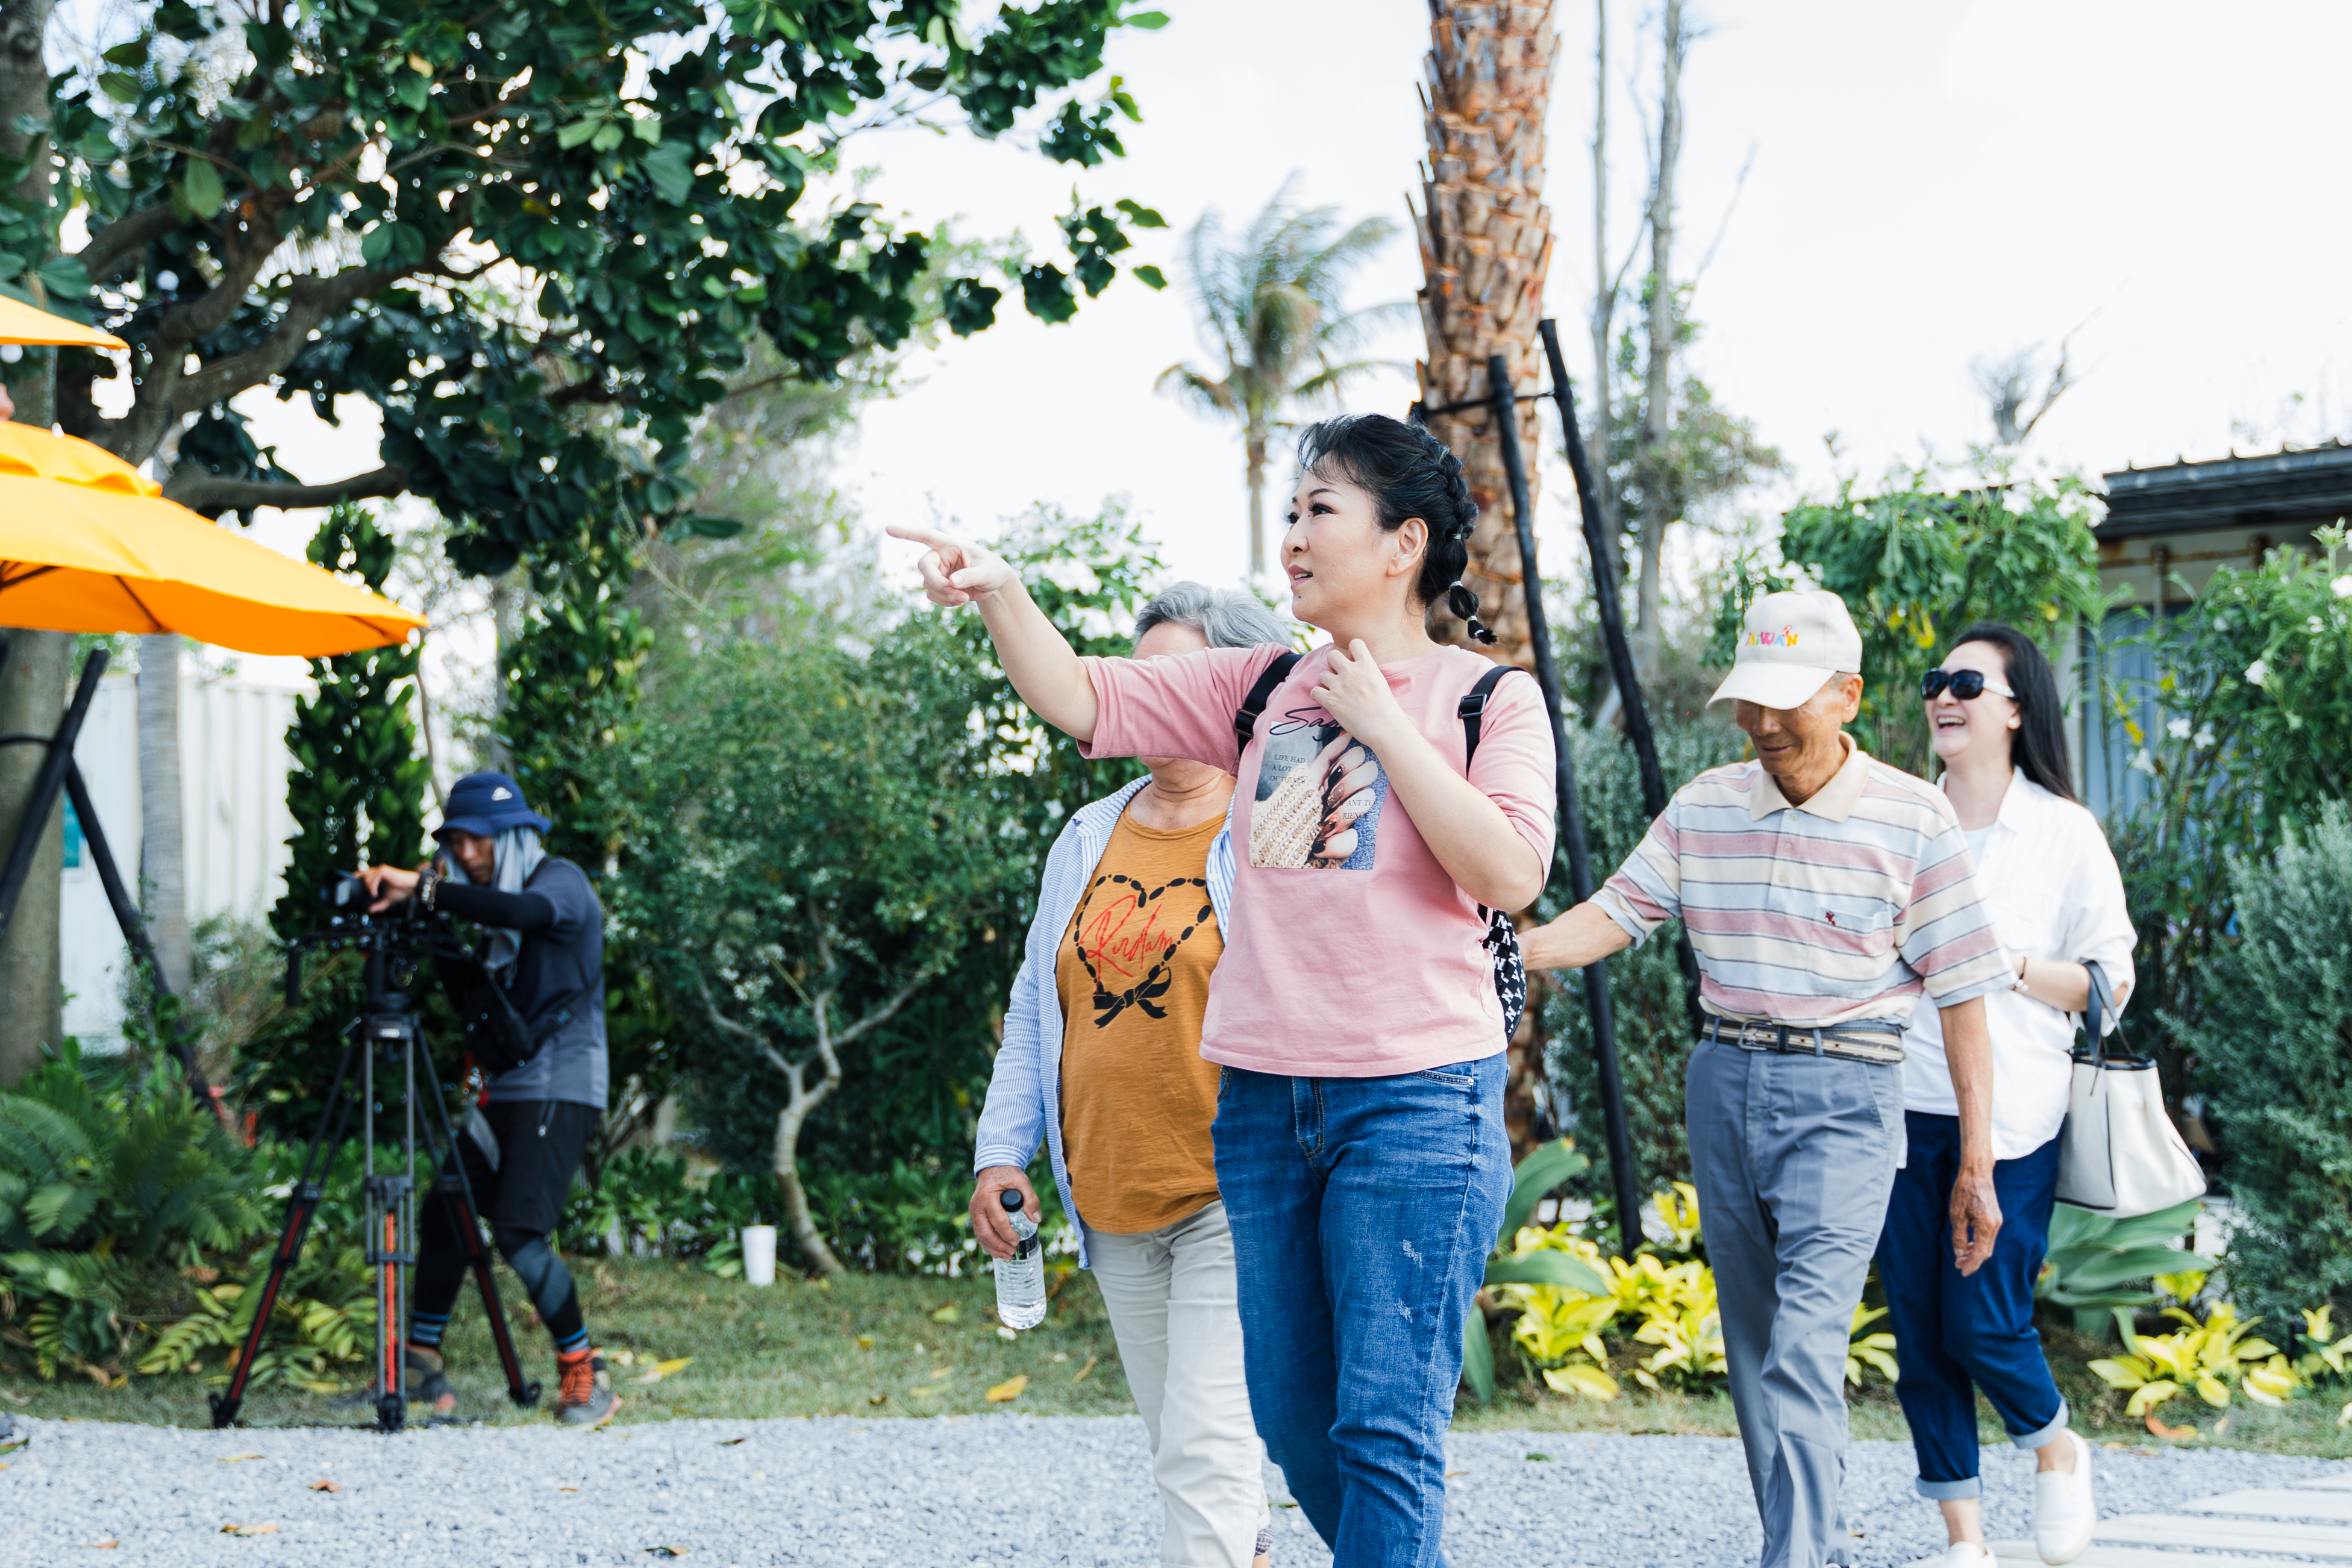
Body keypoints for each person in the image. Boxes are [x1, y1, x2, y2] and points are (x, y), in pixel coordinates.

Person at [895, 413, 1556, 1568]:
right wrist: (1001, 590)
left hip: (1414, 1102)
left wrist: (1384, 727)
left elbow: (1505, 871)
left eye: (1318, 511)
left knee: (1384, 1429)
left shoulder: (1484, 701)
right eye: (1291, 510)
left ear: (1402, 543)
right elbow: (1081, 696)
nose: (1291, 534)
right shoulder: (1258, 687)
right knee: (1299, 1425)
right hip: (1259, 1103)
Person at [1522, 589, 2015, 1568]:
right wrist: (1500, 949)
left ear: (1846, 696)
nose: (1758, 722)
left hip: (1847, 1093)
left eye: (1781, 700)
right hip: (1724, 1081)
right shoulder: (1705, 804)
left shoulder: (1912, 819)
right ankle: (1800, 1546)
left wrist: (1974, 1163)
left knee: (1801, 1345)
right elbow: (1613, 913)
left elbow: (1962, 996)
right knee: (1751, 1353)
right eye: (1746, 699)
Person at [972, 582, 1292, 1568]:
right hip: (1110, 1198)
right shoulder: (1085, 833)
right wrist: (998, 1152)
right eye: (1134, 679)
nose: (1150, 697)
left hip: (1229, 1192)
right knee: (1185, 1453)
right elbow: (1039, 999)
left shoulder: (1273, 823)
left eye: (1177, 678)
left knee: (1201, 1457)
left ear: (1233, 688)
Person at [1879, 624, 2131, 1568]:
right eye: (1937, 680)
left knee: (1981, 1316)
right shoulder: (1900, 815)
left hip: (2017, 1113)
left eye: (1968, 684)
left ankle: (2056, 1443)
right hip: (1899, 1104)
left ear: (2017, 708)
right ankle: (1965, 1539)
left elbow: (2110, 981)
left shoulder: (2064, 832)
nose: (1944, 695)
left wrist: (2009, 964)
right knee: (1918, 1326)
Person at [357, 770, 621, 1428]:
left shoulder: (558, 882)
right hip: (503, 1087)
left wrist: (427, 887)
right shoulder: (470, 900)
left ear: (515, 836)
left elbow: (525, 914)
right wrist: (416, 904)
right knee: (448, 1206)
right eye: (457, 841)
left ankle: (586, 1371)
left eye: (480, 841)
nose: (468, 853)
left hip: (560, 1084)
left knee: (521, 1233)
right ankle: (420, 1363)